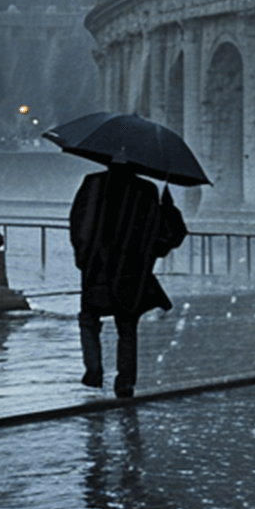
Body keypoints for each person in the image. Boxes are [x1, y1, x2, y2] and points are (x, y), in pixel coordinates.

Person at [69, 165, 187, 398]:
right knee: (127, 328)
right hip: (130, 270)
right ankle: (124, 382)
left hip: (97, 268)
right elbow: (155, 234)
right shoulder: (146, 189)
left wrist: (83, 258)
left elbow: (78, 222)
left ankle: (93, 370)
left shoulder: (92, 183)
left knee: (89, 319)